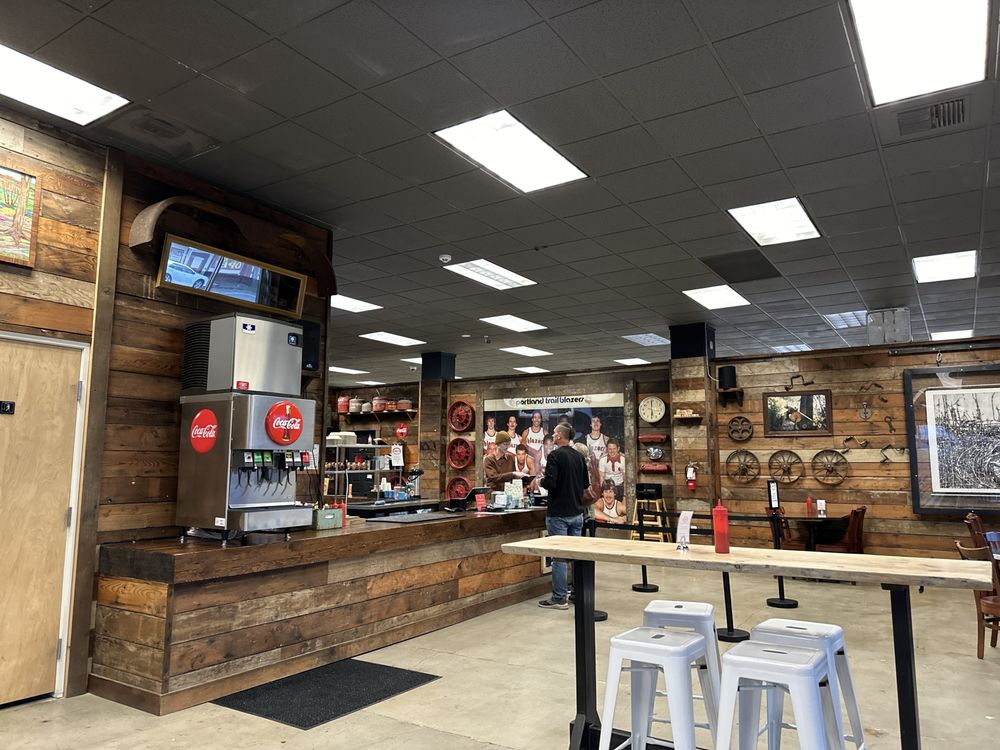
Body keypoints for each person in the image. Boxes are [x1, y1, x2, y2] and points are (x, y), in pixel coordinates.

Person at [531, 423, 588, 610]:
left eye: (555, 433)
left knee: (559, 558)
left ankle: (559, 598)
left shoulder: (555, 456)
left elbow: (550, 483)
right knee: (577, 555)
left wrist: (540, 480)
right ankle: (578, 593)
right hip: (577, 512)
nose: (552, 435)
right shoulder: (579, 457)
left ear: (560, 437)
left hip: (559, 514)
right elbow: (585, 484)